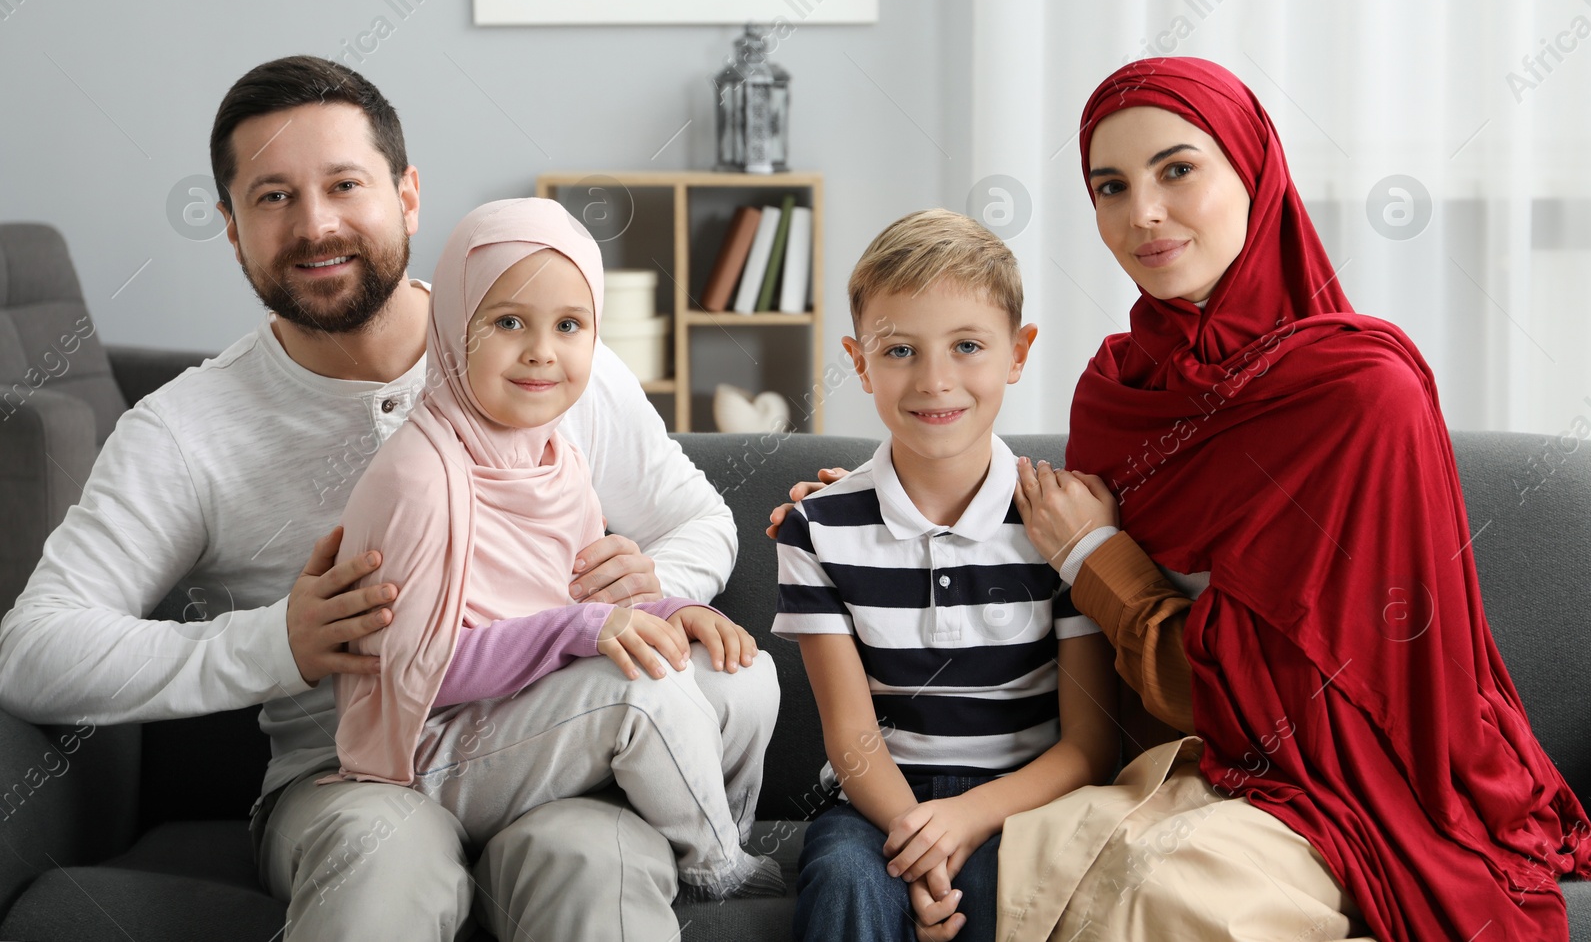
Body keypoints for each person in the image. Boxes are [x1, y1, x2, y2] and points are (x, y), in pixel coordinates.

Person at [0, 55, 750, 941]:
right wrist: (279, 641)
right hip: (346, 783)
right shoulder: (185, 429)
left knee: (597, 865)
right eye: (273, 196)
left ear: (408, 196)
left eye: (344, 184)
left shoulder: (547, 346)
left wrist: (655, 578)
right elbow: (35, 650)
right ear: (232, 228)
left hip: (559, 754)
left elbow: (703, 518)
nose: (315, 224)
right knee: (384, 859)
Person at [995, 57, 1591, 941]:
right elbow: (1051, 567)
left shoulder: (1361, 395)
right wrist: (880, 494)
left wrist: (1096, 560)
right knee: (1054, 877)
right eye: (1110, 186)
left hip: (1342, 773)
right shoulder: (1115, 391)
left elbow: (1284, 698)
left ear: (1254, 171)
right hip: (1172, 762)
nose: (1143, 214)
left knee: (1163, 895)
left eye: (1177, 170)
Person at [327, 196, 782, 900]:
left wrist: (671, 606)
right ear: (454, 327)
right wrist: (585, 630)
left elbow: (575, 595)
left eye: (570, 325)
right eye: (508, 322)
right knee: (645, 692)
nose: (543, 350)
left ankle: (713, 828)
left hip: (534, 711)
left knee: (746, 673)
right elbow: (419, 673)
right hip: (437, 751)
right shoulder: (418, 476)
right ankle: (717, 868)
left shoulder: (554, 453)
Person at [773, 210, 1119, 942]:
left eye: (967, 345)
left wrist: (963, 822)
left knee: (1014, 890)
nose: (935, 380)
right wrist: (917, 837)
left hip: (1024, 805)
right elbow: (850, 735)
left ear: (1018, 352)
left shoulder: (1059, 521)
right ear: (859, 361)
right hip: (875, 804)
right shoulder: (817, 527)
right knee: (842, 879)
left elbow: (1090, 745)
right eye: (900, 350)